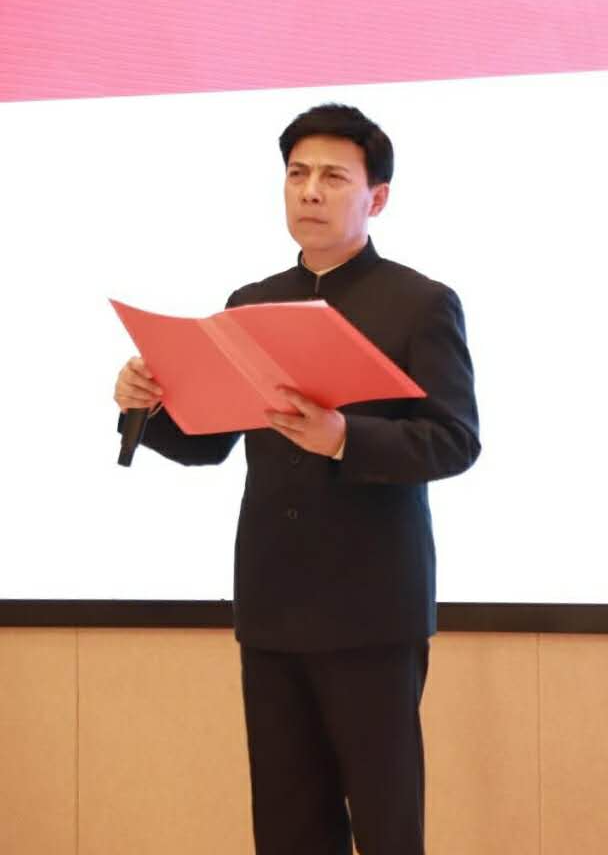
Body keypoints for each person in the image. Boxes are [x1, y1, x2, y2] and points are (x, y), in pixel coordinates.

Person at [113, 104, 479, 854]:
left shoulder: (420, 303)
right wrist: (145, 407)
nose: (310, 190)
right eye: (296, 174)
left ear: (377, 197)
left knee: (386, 825)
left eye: (333, 177)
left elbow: (454, 441)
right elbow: (210, 442)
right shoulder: (250, 303)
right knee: (286, 827)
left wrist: (345, 439)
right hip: (272, 604)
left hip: (372, 609)